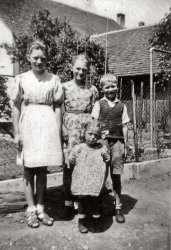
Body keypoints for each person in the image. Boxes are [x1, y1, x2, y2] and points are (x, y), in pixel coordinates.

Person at [7, 39, 63, 228]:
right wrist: (16, 133)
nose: (39, 62)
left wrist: (57, 128)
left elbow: (57, 106)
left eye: (43, 59)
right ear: (28, 58)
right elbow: (15, 107)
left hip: (47, 125)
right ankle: (30, 210)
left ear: (47, 59)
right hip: (28, 124)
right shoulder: (21, 79)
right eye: (35, 58)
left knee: (42, 169)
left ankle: (40, 207)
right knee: (29, 168)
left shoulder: (53, 79)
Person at [62, 54, 99, 217]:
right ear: (72, 68)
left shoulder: (92, 89)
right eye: (78, 68)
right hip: (71, 130)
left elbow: (95, 112)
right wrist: (62, 127)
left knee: (85, 164)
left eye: (84, 69)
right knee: (69, 165)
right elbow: (60, 109)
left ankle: (83, 201)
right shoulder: (64, 87)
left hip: (86, 130)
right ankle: (68, 202)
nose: (80, 72)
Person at [91, 73, 130, 223]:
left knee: (116, 176)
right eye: (107, 87)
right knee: (101, 174)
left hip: (118, 143)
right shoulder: (99, 104)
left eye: (113, 86)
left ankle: (118, 207)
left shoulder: (122, 105)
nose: (110, 89)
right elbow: (94, 124)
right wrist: (95, 143)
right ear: (102, 89)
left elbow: (125, 126)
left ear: (117, 87)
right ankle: (98, 206)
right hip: (103, 142)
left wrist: (125, 144)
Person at [68, 120, 110, 233]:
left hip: (95, 181)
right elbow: (71, 160)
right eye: (90, 134)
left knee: (95, 201)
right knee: (83, 201)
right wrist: (73, 160)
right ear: (84, 133)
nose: (93, 137)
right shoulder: (79, 148)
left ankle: (96, 221)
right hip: (82, 181)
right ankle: (81, 221)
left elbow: (107, 159)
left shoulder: (101, 148)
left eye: (96, 135)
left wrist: (105, 157)